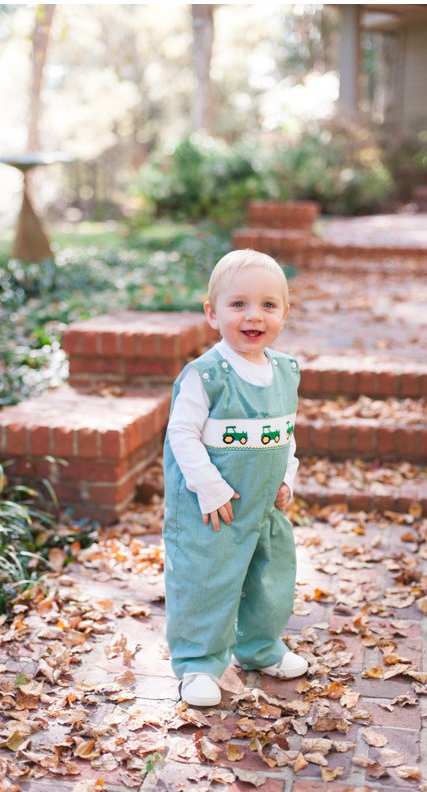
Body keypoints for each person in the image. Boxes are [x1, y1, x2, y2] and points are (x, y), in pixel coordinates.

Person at [162, 248, 308, 708]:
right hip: (214, 508)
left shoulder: (285, 371)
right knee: (207, 582)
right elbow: (181, 435)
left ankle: (260, 648)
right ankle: (198, 664)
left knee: (270, 578)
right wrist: (210, 488)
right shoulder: (206, 375)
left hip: (263, 504)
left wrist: (288, 474)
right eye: (238, 304)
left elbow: (284, 431)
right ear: (212, 312)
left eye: (268, 305)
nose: (254, 315)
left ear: (284, 312)